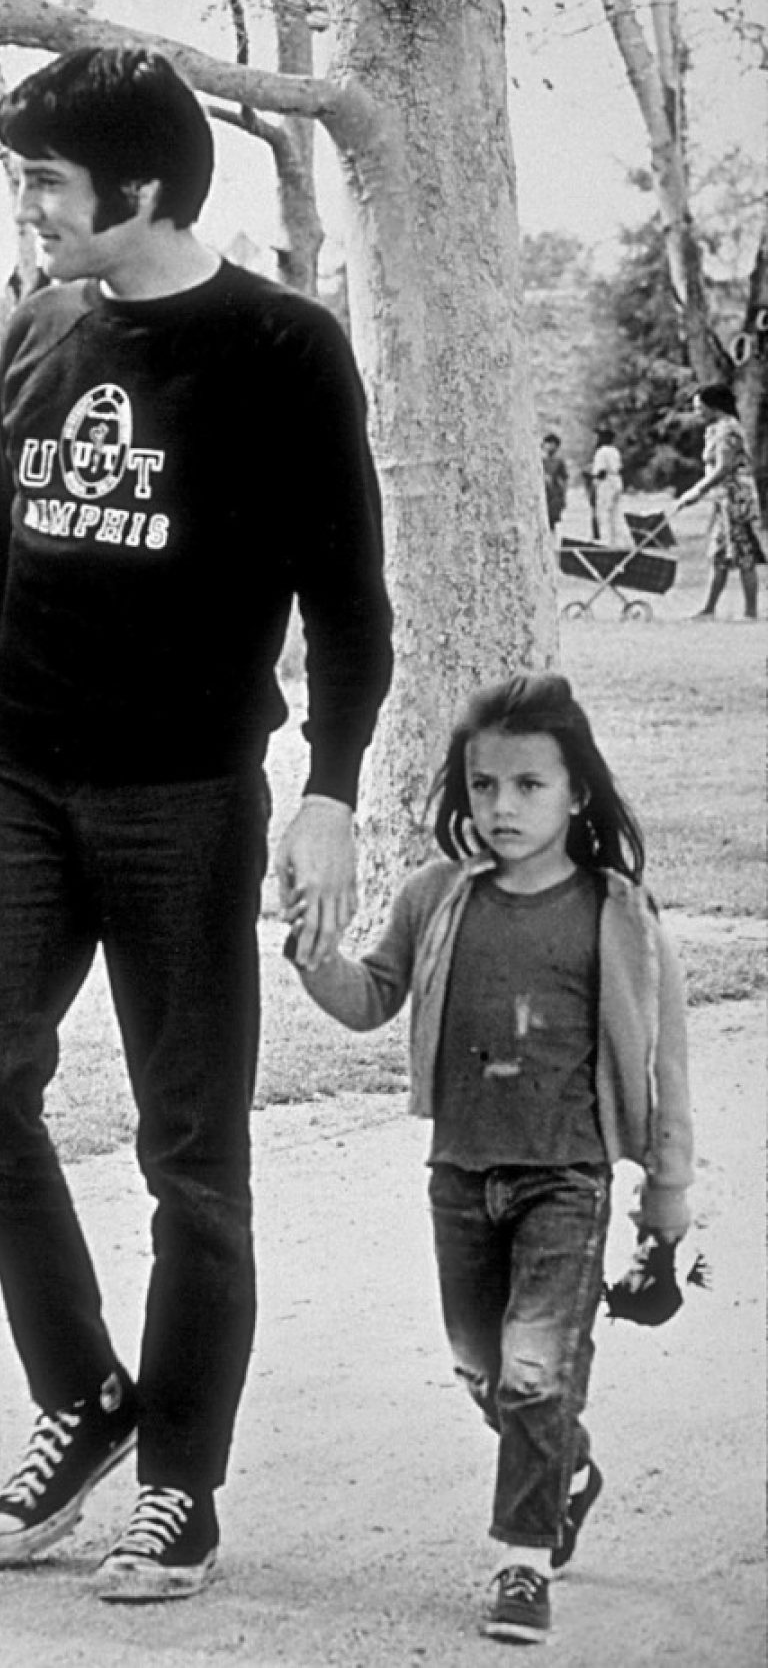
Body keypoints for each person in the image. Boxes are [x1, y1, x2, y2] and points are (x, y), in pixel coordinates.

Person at [0, 46, 394, 1602]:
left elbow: (350, 600)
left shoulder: (280, 345)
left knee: (192, 1157)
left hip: (187, 800)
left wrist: (330, 791)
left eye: (48, 180)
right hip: (27, 792)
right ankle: (84, 1393)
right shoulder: (38, 325)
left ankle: (180, 1481)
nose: (30, 207)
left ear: (142, 186)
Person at [289, 671, 693, 1646]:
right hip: (460, 1171)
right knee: (481, 1367)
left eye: (528, 785)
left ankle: (523, 1559)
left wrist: (667, 1194)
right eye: (483, 787)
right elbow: (371, 995)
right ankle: (569, 1466)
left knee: (533, 1369)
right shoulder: (437, 897)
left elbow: (665, 1059)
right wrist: (313, 954)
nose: (502, 806)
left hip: (569, 1176)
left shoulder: (618, 913)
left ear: (576, 793)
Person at [675, 381, 763, 620]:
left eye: (699, 407)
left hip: (736, 498)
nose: (697, 412)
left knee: (743, 552)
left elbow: (724, 468)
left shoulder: (728, 429)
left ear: (714, 406)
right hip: (723, 498)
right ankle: (709, 608)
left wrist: (696, 492)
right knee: (720, 554)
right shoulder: (715, 429)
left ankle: (751, 611)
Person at [589, 427, 625, 546]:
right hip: (617, 480)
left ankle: (605, 541)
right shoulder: (615, 451)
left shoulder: (602, 451)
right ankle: (617, 542)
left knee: (603, 512)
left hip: (606, 482)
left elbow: (600, 471)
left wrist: (593, 479)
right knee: (615, 512)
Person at [540, 433, 568, 533]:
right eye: (548, 443)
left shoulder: (559, 461)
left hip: (554, 495)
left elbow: (564, 479)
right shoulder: (541, 460)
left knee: (553, 521)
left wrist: (563, 497)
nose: (549, 446)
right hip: (543, 494)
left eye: (552, 444)